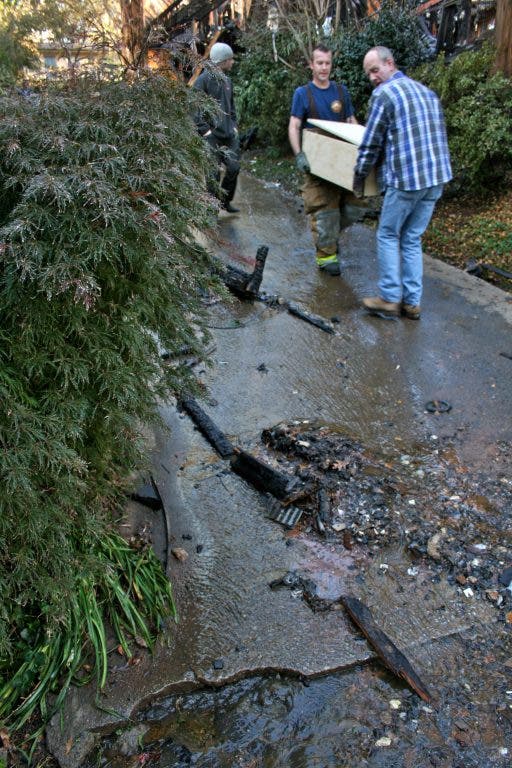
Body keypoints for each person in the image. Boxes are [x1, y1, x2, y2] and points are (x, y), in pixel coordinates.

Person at [353, 46, 452, 319]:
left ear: (390, 64)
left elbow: (371, 142)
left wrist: (359, 175)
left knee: (388, 234)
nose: (372, 77)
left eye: (375, 70)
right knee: (411, 238)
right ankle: (412, 302)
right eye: (368, 73)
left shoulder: (384, 94)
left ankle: (389, 297)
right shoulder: (426, 92)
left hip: (407, 179)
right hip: (436, 178)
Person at [289, 44, 358, 276]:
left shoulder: (341, 92)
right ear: (311, 65)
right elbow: (294, 125)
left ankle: (329, 238)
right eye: (319, 63)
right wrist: (299, 154)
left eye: (327, 63)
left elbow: (351, 120)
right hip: (316, 163)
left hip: (341, 160)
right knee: (324, 209)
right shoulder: (303, 93)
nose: (324, 68)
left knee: (354, 206)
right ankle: (326, 257)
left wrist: (361, 144)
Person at [194, 42, 241, 213]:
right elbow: (194, 108)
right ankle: (212, 211)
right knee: (212, 175)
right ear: (222, 61)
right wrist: (205, 131)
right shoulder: (203, 81)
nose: (232, 62)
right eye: (230, 59)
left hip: (229, 135)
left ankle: (225, 201)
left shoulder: (228, 81)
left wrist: (234, 126)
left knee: (234, 168)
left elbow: (232, 107)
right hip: (211, 136)